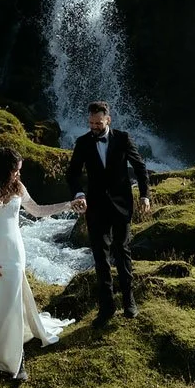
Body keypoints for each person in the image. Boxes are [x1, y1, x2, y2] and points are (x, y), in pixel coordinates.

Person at [0, 146, 82, 381]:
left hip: (14, 253)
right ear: (4, 169)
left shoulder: (18, 187)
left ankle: (10, 361)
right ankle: (11, 345)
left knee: (10, 304)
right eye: (15, 170)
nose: (18, 174)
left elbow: (37, 211)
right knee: (0, 304)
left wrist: (68, 205)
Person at [66, 101, 150, 327]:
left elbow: (140, 167)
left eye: (98, 123)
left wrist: (145, 195)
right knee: (100, 257)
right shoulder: (83, 142)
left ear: (108, 120)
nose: (94, 127)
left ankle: (129, 301)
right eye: (91, 123)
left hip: (121, 205)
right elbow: (72, 173)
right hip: (95, 206)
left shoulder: (123, 138)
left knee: (122, 251)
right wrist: (79, 193)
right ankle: (106, 308)